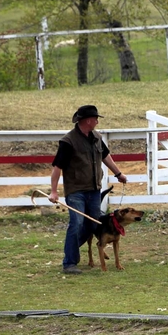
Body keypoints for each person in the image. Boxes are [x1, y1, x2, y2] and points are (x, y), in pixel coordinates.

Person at [49, 105, 127, 274]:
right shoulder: (68, 141)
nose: (98, 121)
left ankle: (72, 248)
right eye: (96, 118)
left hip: (93, 190)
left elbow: (105, 156)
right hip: (76, 191)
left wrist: (118, 173)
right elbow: (57, 167)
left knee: (93, 224)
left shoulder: (97, 137)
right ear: (87, 120)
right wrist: (53, 191)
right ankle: (69, 263)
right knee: (76, 223)